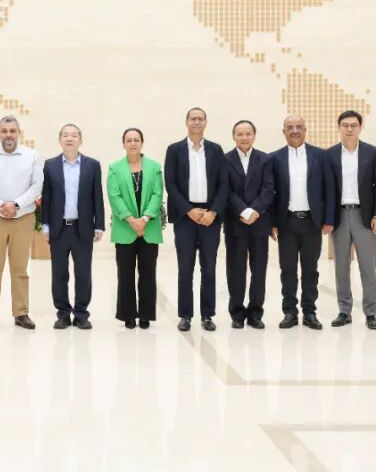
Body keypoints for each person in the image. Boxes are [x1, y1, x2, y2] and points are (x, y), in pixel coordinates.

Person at [0, 115, 44, 330]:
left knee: (20, 268)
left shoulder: (32, 156)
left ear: (18, 132)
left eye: (12, 131)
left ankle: (21, 313)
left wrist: (16, 205)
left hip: (23, 218)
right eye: (4, 131)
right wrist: (0, 206)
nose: (8, 135)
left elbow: (37, 185)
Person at [164, 107, 228, 332]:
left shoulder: (216, 150)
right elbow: (170, 184)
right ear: (187, 122)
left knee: (209, 268)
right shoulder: (174, 150)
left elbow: (223, 184)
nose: (197, 122)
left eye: (201, 119)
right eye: (193, 119)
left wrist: (213, 212)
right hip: (185, 218)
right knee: (185, 269)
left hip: (210, 218)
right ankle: (185, 315)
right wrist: (189, 210)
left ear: (206, 122)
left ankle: (207, 315)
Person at [271, 114, 334, 330]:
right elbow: (271, 193)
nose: (295, 130)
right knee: (287, 269)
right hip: (286, 222)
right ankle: (289, 312)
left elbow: (329, 189)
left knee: (310, 270)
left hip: (312, 223)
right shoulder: (274, 158)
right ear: (284, 132)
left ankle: (309, 312)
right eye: (290, 127)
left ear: (305, 130)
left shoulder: (321, 156)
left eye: (299, 126)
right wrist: (272, 222)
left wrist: (328, 219)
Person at [41, 124, 105, 330]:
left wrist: (99, 225)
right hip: (58, 229)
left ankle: (81, 314)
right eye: (66, 135)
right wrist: (45, 225)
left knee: (83, 273)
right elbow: (47, 197)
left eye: (74, 135)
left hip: (83, 228)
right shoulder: (50, 165)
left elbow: (97, 196)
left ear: (80, 140)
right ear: (60, 140)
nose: (70, 138)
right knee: (59, 273)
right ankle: (63, 314)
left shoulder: (92, 165)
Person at [327, 110, 376, 330]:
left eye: (354, 125)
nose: (349, 129)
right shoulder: (330, 154)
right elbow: (326, 189)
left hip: (365, 216)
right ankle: (344, 311)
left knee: (368, 267)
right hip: (339, 216)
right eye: (345, 125)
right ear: (339, 127)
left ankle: (371, 313)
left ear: (361, 127)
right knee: (341, 267)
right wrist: (327, 219)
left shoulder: (372, 152)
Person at [107, 128, 164, 329]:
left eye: (136, 140)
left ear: (142, 143)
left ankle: (146, 315)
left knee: (148, 274)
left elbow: (158, 194)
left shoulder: (154, 167)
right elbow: (114, 196)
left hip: (149, 228)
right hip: (125, 228)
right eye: (129, 140)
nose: (133, 143)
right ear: (123, 144)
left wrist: (145, 218)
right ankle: (127, 315)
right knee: (125, 274)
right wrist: (132, 220)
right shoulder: (115, 168)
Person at [222, 120, 275, 330]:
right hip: (235, 222)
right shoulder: (225, 160)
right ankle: (237, 313)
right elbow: (225, 190)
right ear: (233, 136)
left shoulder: (265, 159)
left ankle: (255, 313)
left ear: (254, 135)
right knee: (235, 269)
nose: (244, 138)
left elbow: (269, 189)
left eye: (248, 134)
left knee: (259, 269)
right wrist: (243, 211)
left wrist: (255, 211)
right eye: (240, 134)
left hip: (259, 223)